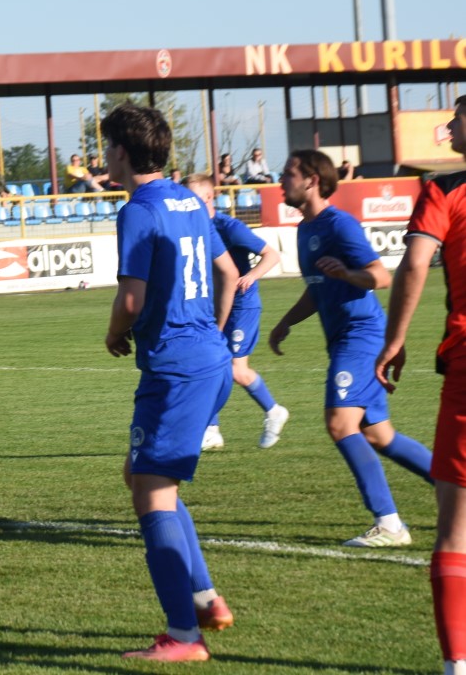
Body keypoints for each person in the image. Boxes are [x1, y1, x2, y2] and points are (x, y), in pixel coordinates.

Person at [101, 104, 239, 661]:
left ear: (122, 152)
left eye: (107, 146)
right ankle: (205, 598)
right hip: (210, 360)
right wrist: (212, 335)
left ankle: (184, 636)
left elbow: (131, 300)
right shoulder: (188, 199)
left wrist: (115, 333)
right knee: (141, 474)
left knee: (152, 493)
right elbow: (228, 272)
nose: (104, 155)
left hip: (176, 369)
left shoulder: (138, 210)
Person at [266, 149, 432, 547]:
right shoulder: (304, 229)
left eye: (288, 173)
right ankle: (456, 484)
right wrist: (287, 321)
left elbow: (380, 277)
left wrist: (347, 273)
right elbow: (317, 288)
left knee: (341, 424)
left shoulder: (339, 225)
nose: (280, 180)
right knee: (380, 436)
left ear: (312, 181)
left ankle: (389, 525)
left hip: (361, 337)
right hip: (345, 339)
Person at [377, 95, 466, 672]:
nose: (449, 125)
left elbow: (414, 264)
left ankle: (458, 664)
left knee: (456, 529)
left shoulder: (445, 189)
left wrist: (395, 339)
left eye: (459, 116)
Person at [184, 175, 288, 452]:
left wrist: (251, 276)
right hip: (214, 305)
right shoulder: (192, 226)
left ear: (209, 197)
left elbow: (271, 255)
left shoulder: (229, 227)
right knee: (208, 364)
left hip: (242, 306)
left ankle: (274, 411)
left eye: (191, 197)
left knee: (235, 369)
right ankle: (212, 431)